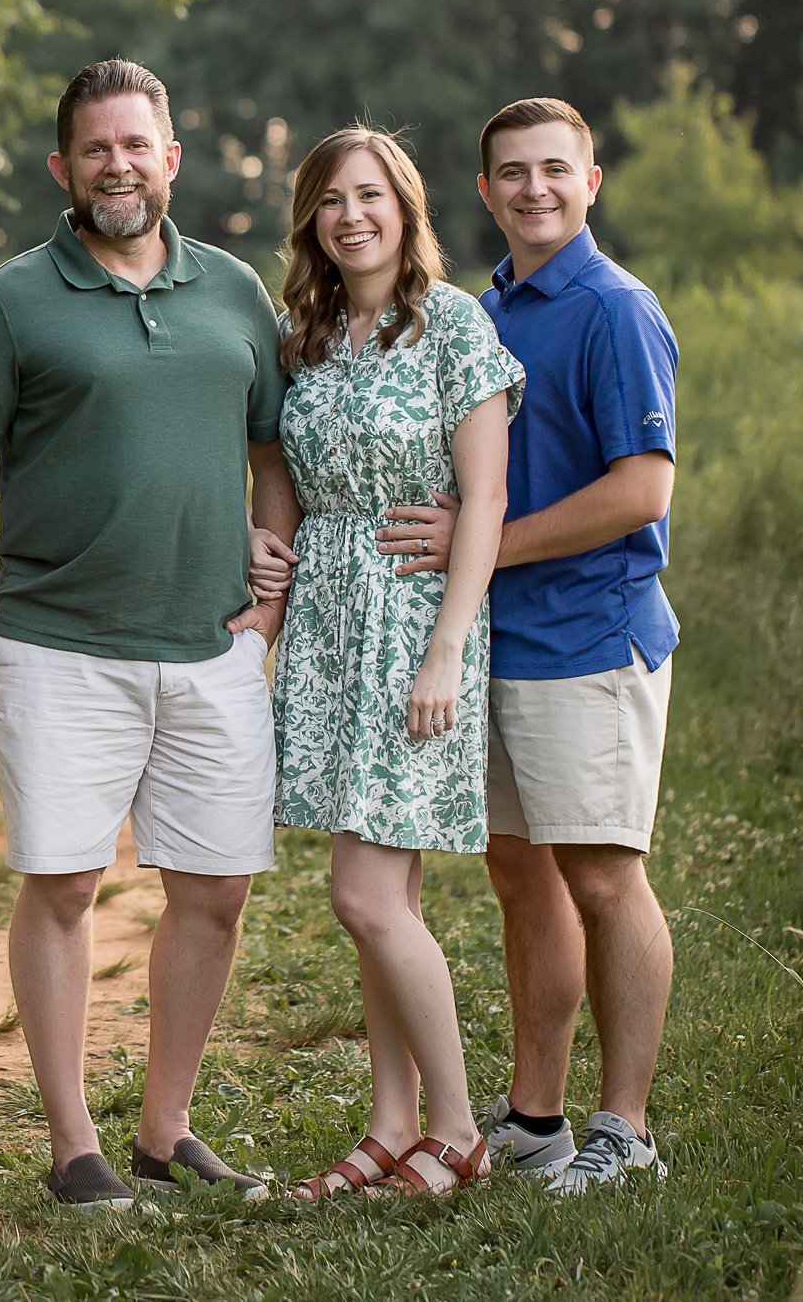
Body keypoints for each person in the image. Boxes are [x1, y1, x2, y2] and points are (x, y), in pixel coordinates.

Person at [0, 58, 290, 1209]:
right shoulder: (7, 299)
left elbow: (274, 456)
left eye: (137, 145)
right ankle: (74, 1141)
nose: (117, 165)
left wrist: (267, 597)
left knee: (217, 886)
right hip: (56, 638)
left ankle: (164, 1127)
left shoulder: (236, 292)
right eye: (96, 149)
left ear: (171, 158)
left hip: (209, 643)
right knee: (67, 883)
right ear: (62, 168)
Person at [364, 97, 680, 1193]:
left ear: (590, 181)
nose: (534, 188)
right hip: (503, 637)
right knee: (520, 874)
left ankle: (625, 1130)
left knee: (602, 874)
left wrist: (483, 545)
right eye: (511, 171)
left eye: (555, 169)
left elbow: (641, 487)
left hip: (589, 632)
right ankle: (537, 1115)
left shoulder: (612, 307)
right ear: (486, 190)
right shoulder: (485, 306)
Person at [251, 127, 523, 1200]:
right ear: (311, 219)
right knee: (385, 893)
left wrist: (446, 646)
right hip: (326, 623)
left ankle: (457, 1129)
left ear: (406, 209)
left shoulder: (454, 325)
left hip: (415, 623)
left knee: (365, 896)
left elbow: (486, 500)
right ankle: (390, 1122)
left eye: (370, 195)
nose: (350, 214)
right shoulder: (304, 333)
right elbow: (279, 476)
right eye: (330, 199)